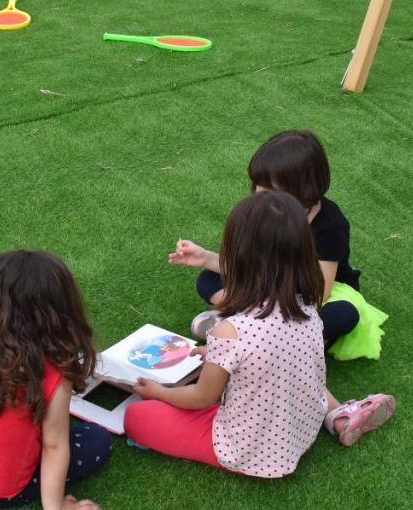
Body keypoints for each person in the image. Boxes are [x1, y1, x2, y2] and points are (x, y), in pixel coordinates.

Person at [126, 191, 395, 476]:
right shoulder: (307, 308)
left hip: (248, 450)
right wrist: (214, 354)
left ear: (238, 257)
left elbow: (202, 398)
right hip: (302, 432)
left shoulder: (231, 330)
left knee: (137, 417)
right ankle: (338, 415)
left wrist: (158, 392)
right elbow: (272, 356)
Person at [170, 129, 387, 360]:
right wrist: (205, 258)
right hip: (266, 286)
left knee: (345, 314)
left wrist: (272, 298)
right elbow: (246, 264)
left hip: (306, 296)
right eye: (257, 187)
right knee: (208, 279)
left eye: (269, 191)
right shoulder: (261, 211)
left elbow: (319, 293)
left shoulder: (330, 224)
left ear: (304, 190)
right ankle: (256, 329)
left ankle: (259, 331)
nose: (258, 196)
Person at [0, 250, 109, 510]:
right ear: (62, 307)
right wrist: (58, 506)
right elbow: (54, 446)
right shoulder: (55, 374)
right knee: (96, 439)